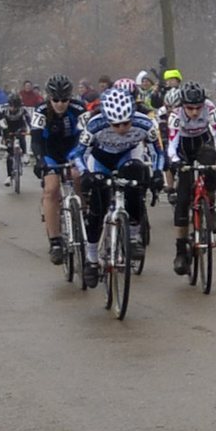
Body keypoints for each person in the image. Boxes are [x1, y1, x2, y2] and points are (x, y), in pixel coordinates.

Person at [68, 87, 164, 287]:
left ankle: (134, 236)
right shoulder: (95, 126)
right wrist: (85, 173)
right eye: (117, 124)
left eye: (126, 123)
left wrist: (157, 173)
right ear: (107, 119)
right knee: (97, 208)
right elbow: (77, 154)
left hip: (127, 156)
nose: (122, 128)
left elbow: (158, 152)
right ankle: (92, 260)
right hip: (101, 160)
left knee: (135, 183)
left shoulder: (144, 123)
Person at [167, 82, 216, 274]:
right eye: (190, 108)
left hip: (203, 143)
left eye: (198, 108)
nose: (195, 112)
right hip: (183, 149)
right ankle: (180, 251)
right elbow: (171, 144)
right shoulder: (175, 116)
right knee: (182, 201)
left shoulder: (210, 109)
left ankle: (211, 208)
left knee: (210, 163)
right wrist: (174, 161)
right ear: (182, 106)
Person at [32, 74, 88, 264]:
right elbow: (36, 140)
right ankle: (55, 240)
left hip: (73, 150)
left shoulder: (79, 108)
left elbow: (85, 136)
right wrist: (40, 160)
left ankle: (84, 213)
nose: (60, 104)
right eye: (56, 100)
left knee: (78, 176)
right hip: (50, 152)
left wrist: (82, 157)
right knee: (51, 189)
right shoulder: (40, 111)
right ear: (49, 97)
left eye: (64, 99)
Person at [0, 93, 31, 186]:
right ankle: (9, 176)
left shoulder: (23, 111)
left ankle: (25, 154)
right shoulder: (4, 111)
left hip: (20, 128)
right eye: (11, 106)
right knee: (10, 153)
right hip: (8, 130)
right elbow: (1, 124)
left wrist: (32, 129)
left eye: (15, 106)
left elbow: (29, 121)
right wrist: (2, 135)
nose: (13, 108)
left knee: (21, 137)